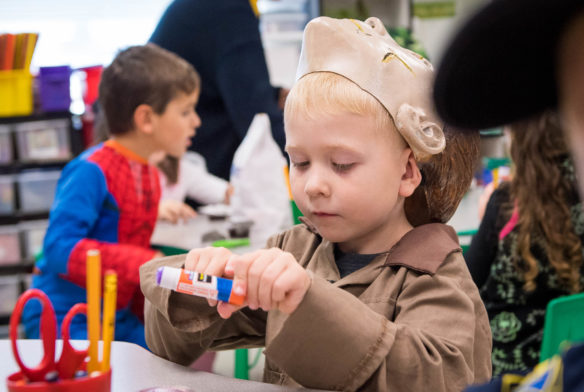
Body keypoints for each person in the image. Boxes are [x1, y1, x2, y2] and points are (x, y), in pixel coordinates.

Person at [140, 17, 491, 391]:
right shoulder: (298, 249)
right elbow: (166, 348)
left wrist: (307, 300)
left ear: (407, 172)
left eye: (341, 164)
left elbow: (433, 377)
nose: (314, 185)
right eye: (300, 162)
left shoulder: (434, 276)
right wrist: (198, 287)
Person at [22, 44, 201, 348]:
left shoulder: (147, 173)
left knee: (170, 355)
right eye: (185, 111)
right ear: (146, 119)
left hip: (114, 315)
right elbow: (58, 248)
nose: (196, 121)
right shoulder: (90, 171)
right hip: (66, 317)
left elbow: (120, 225)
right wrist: (146, 262)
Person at [466, 112, 584, 376]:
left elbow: (466, 283)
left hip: (505, 368)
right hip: (569, 365)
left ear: (521, 141)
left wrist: (488, 220)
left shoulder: (506, 202)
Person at [149, 0, 288, 181]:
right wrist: (309, 155)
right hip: (181, 171)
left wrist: (274, 95)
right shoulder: (230, 10)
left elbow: (230, 83)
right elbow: (259, 121)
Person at [153, 151, 234, 224]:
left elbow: (227, 192)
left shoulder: (179, 167)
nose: (190, 139)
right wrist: (153, 211)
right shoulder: (142, 168)